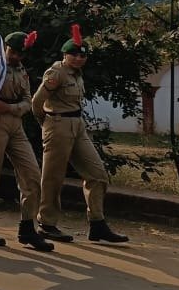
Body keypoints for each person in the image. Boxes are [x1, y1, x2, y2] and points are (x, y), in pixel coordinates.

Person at [32, 25, 129, 244]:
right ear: (65, 55)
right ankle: (46, 223)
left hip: (77, 125)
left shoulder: (77, 74)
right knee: (53, 177)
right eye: (73, 54)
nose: (78, 58)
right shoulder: (56, 73)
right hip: (58, 124)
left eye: (82, 55)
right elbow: (37, 102)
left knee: (97, 174)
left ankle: (97, 224)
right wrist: (46, 123)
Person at [0, 31, 53, 252]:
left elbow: (28, 100)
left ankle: (27, 228)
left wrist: (11, 108)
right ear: (5, 47)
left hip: (15, 121)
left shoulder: (21, 71)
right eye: (13, 52)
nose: (16, 57)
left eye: (20, 54)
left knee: (32, 174)